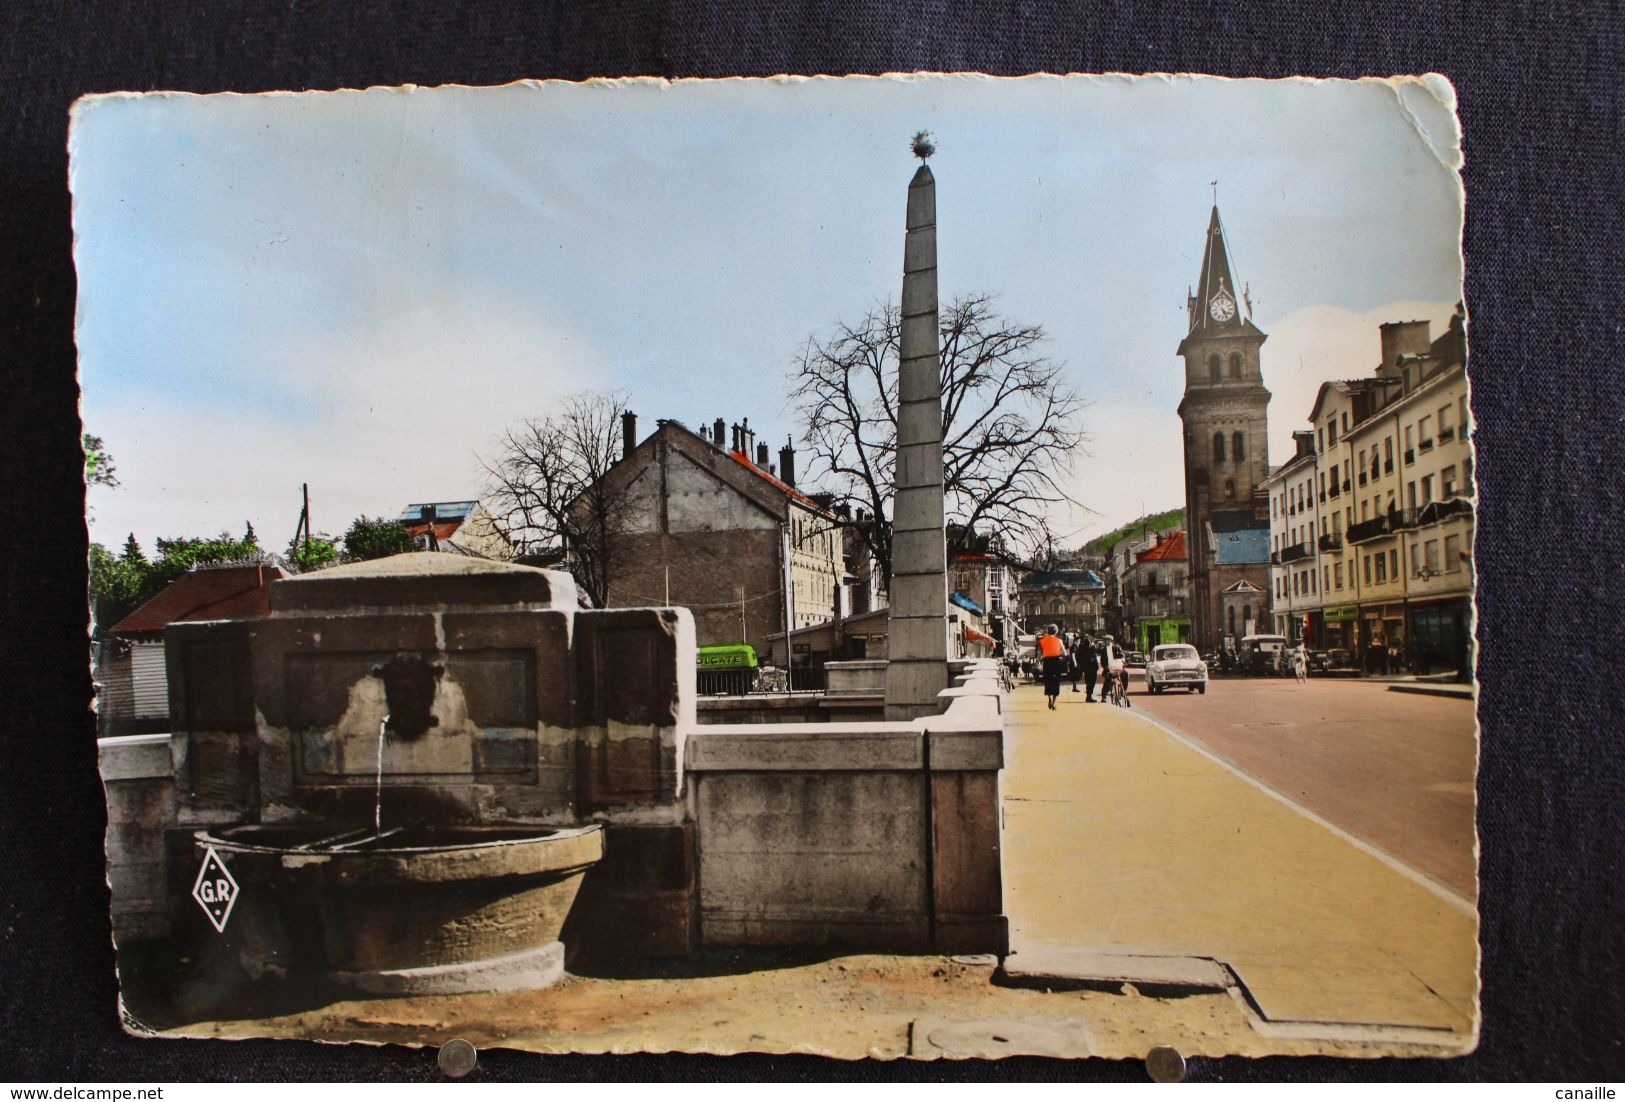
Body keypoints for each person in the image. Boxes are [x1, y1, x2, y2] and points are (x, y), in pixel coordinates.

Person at [1037, 624, 1066, 710]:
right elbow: (1064, 653)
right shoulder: (1059, 641)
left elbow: (1039, 654)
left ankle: (1049, 698)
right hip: (1056, 662)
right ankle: (1054, 702)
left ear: (1048, 631)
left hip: (1047, 662)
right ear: (1056, 632)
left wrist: (1038, 663)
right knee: (1056, 682)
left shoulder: (1042, 641)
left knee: (1048, 680)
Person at [1080, 636, 1099, 702]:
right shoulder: (1084, 643)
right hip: (1088, 666)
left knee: (1092, 681)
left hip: (1093, 666)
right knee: (1089, 682)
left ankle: (1089, 696)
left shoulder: (1093, 643)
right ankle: (1088, 696)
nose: (1094, 638)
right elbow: (1080, 654)